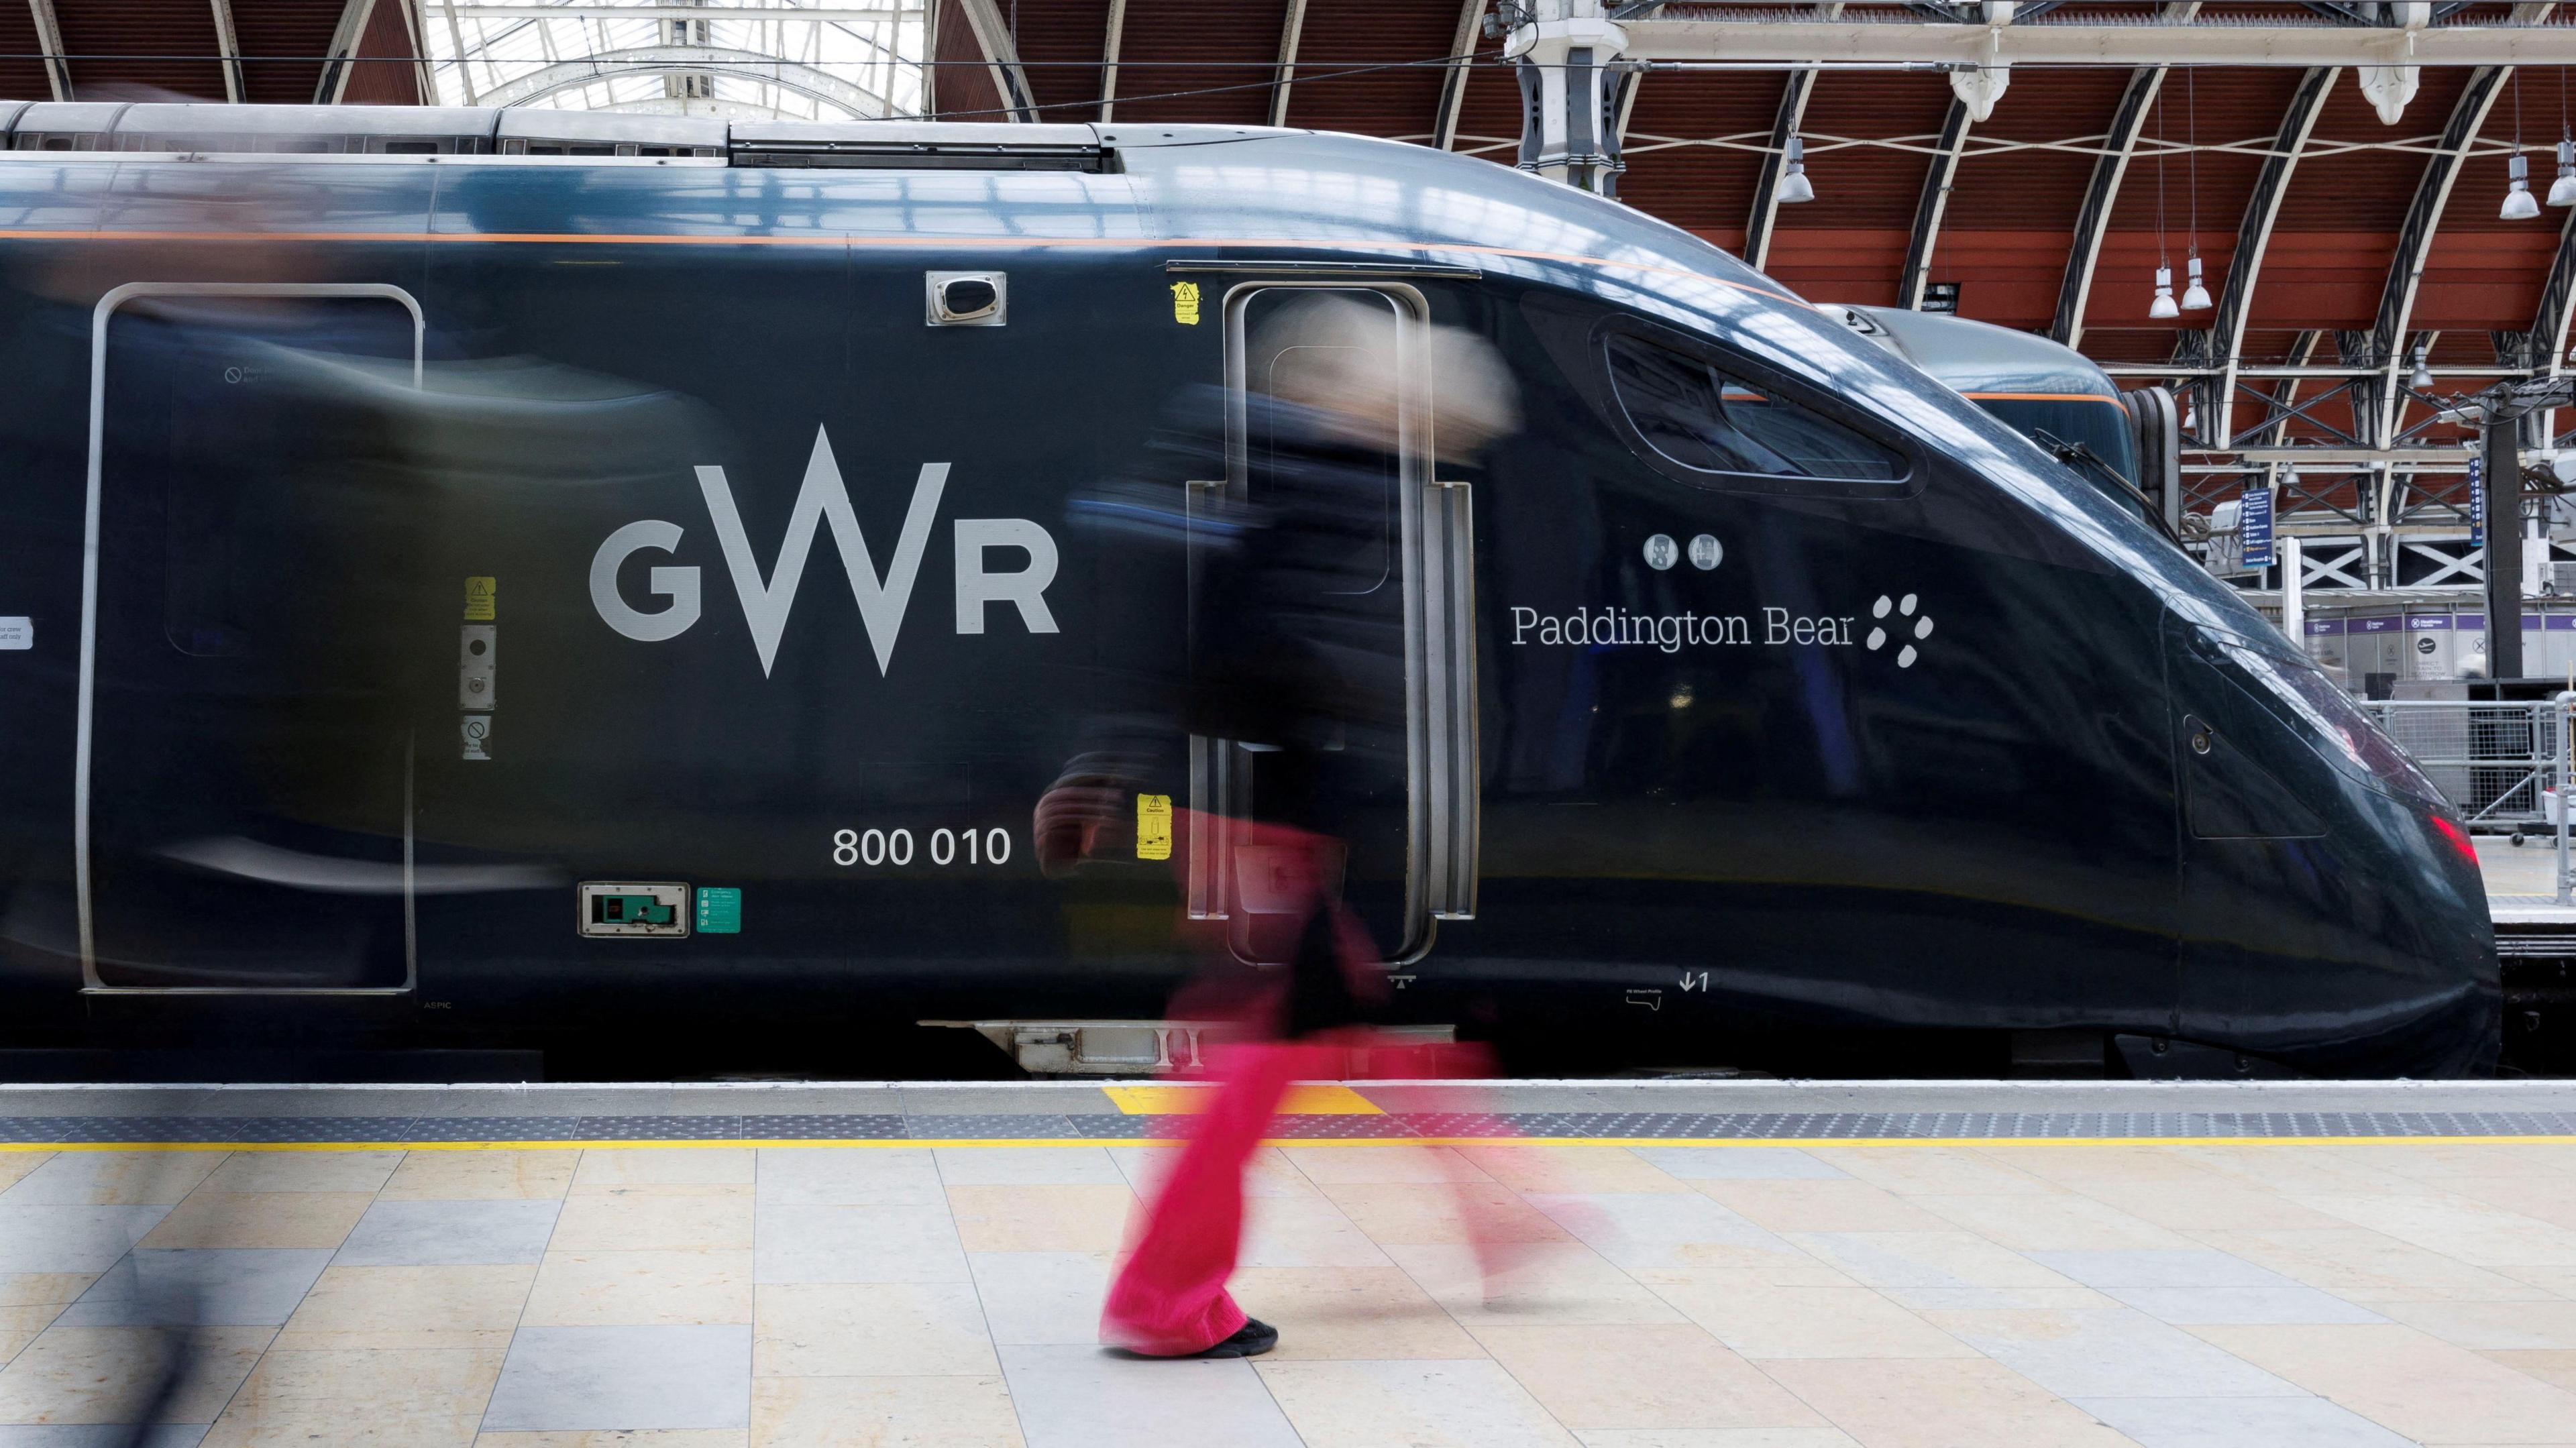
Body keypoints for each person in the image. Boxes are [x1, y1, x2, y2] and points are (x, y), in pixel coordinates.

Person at [1036, 295, 1519, 1358]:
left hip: (1278, 821)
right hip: (1281, 823)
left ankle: (1509, 1212)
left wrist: (1105, 768)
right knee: (1259, 1062)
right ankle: (1165, 1300)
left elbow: (1187, 644)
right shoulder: (1333, 482)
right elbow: (1242, 651)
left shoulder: (1270, 463)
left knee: (1335, 1020)